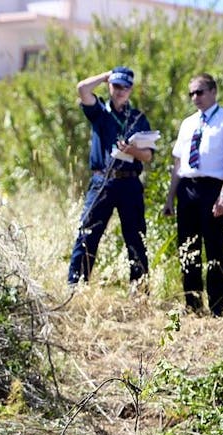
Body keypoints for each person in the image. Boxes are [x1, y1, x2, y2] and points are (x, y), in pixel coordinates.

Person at [163, 73, 223, 317]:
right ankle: (193, 303)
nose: (195, 97)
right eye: (191, 93)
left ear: (213, 91)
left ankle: (218, 305)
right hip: (188, 188)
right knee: (188, 247)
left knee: (214, 246)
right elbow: (179, 163)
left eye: (199, 92)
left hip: (212, 187)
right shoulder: (188, 123)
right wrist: (170, 197)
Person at [68, 66, 155, 290]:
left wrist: (131, 150)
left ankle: (139, 290)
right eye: (116, 86)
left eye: (125, 87)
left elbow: (148, 155)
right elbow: (82, 89)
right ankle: (76, 286)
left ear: (131, 90)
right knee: (88, 233)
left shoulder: (137, 118)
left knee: (136, 238)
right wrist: (105, 75)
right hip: (103, 182)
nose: (120, 91)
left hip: (130, 181)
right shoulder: (100, 112)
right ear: (109, 86)